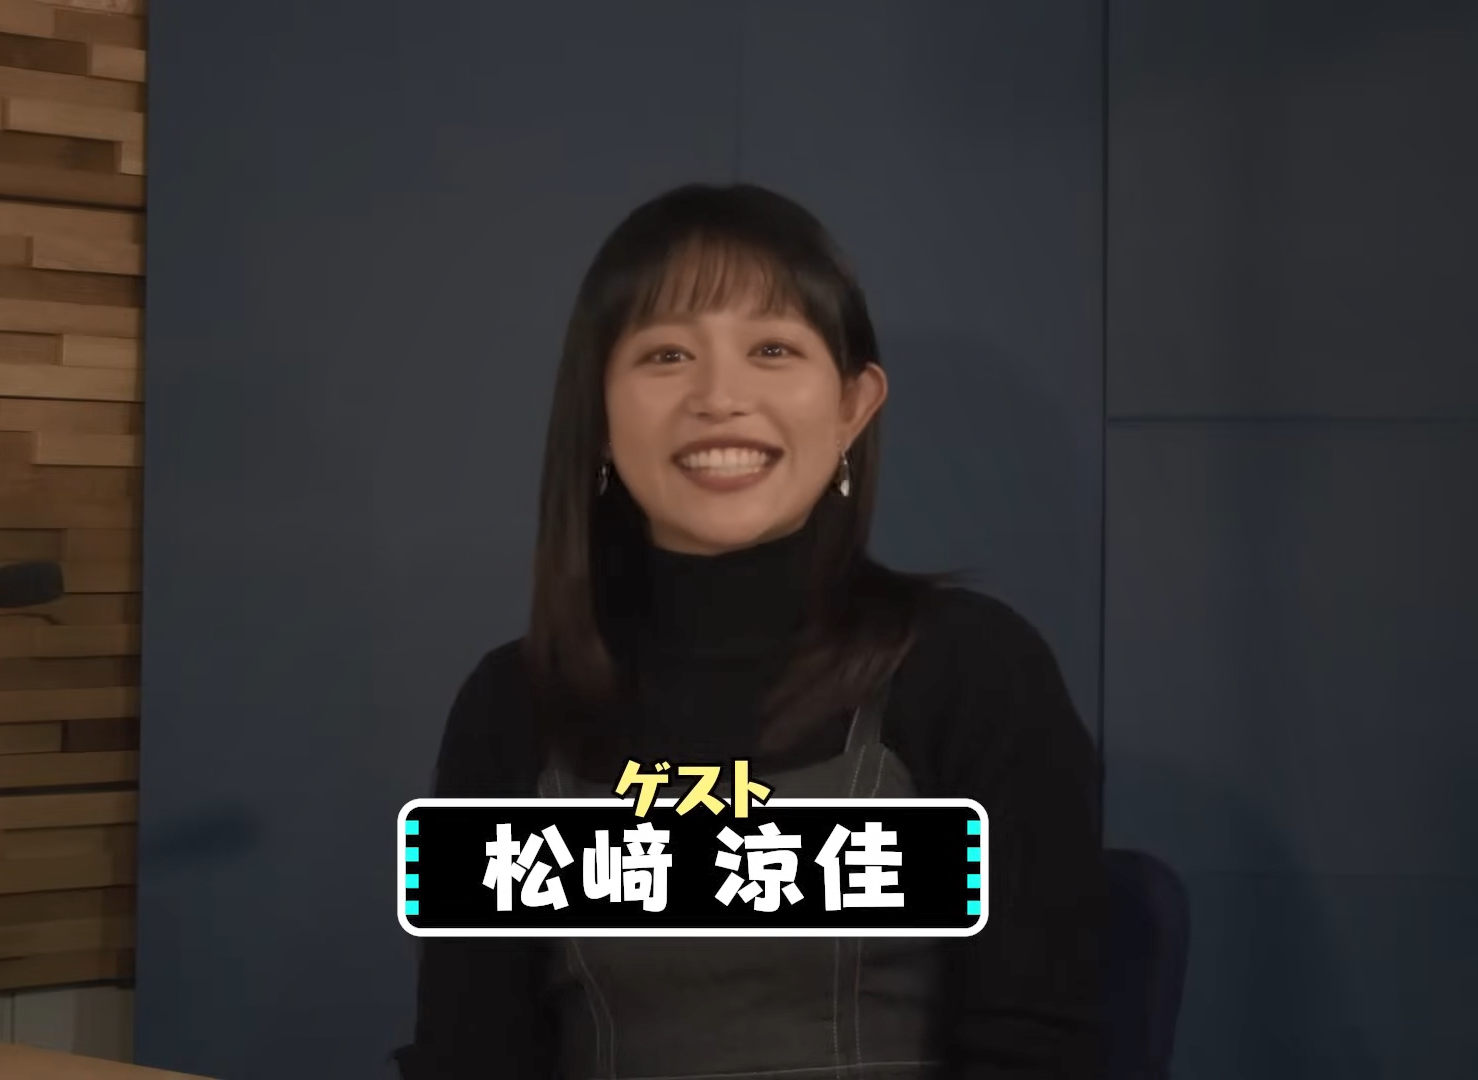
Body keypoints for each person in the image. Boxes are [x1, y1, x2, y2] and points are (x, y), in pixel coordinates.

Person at [394, 183, 1103, 1079]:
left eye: (772, 349)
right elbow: (468, 1055)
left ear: (852, 406)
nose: (719, 397)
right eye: (666, 355)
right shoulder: (513, 703)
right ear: (599, 418)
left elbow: (1038, 1051)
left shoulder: (974, 670)